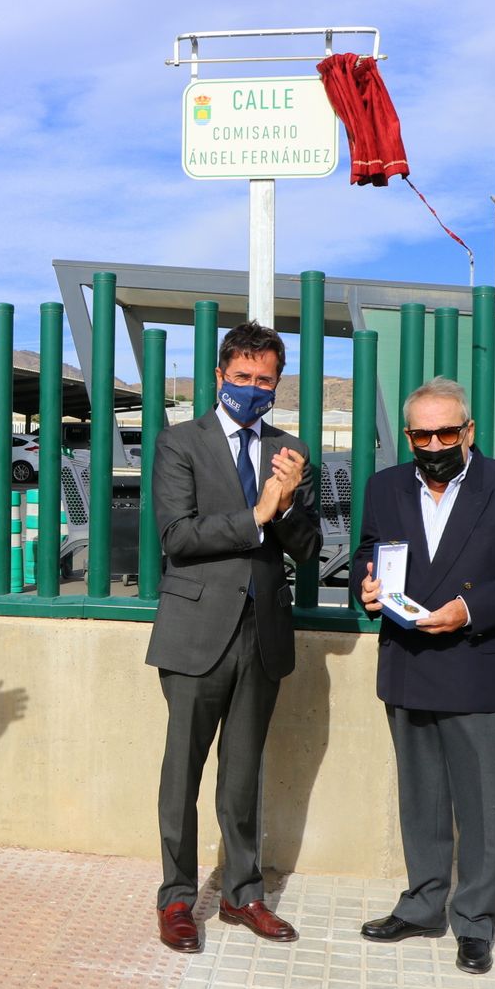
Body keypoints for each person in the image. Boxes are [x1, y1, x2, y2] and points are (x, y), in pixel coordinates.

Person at [353, 376, 495, 975]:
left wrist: (468, 610)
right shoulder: (384, 486)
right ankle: (421, 906)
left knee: (484, 805)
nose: (436, 441)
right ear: (409, 436)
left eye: (448, 430)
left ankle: (475, 922)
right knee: (421, 800)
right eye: (423, 433)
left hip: (478, 662)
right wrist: (368, 582)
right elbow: (370, 548)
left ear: (469, 430)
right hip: (408, 661)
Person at [146, 321, 322, 954]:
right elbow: (179, 538)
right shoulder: (179, 443)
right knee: (182, 774)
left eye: (265, 380)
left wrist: (292, 500)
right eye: (242, 378)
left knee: (243, 773)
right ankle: (175, 900)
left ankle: (242, 894)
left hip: (262, 633)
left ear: (277, 384)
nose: (253, 389)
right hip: (196, 633)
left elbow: (309, 550)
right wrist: (257, 514)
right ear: (220, 376)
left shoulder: (291, 449)